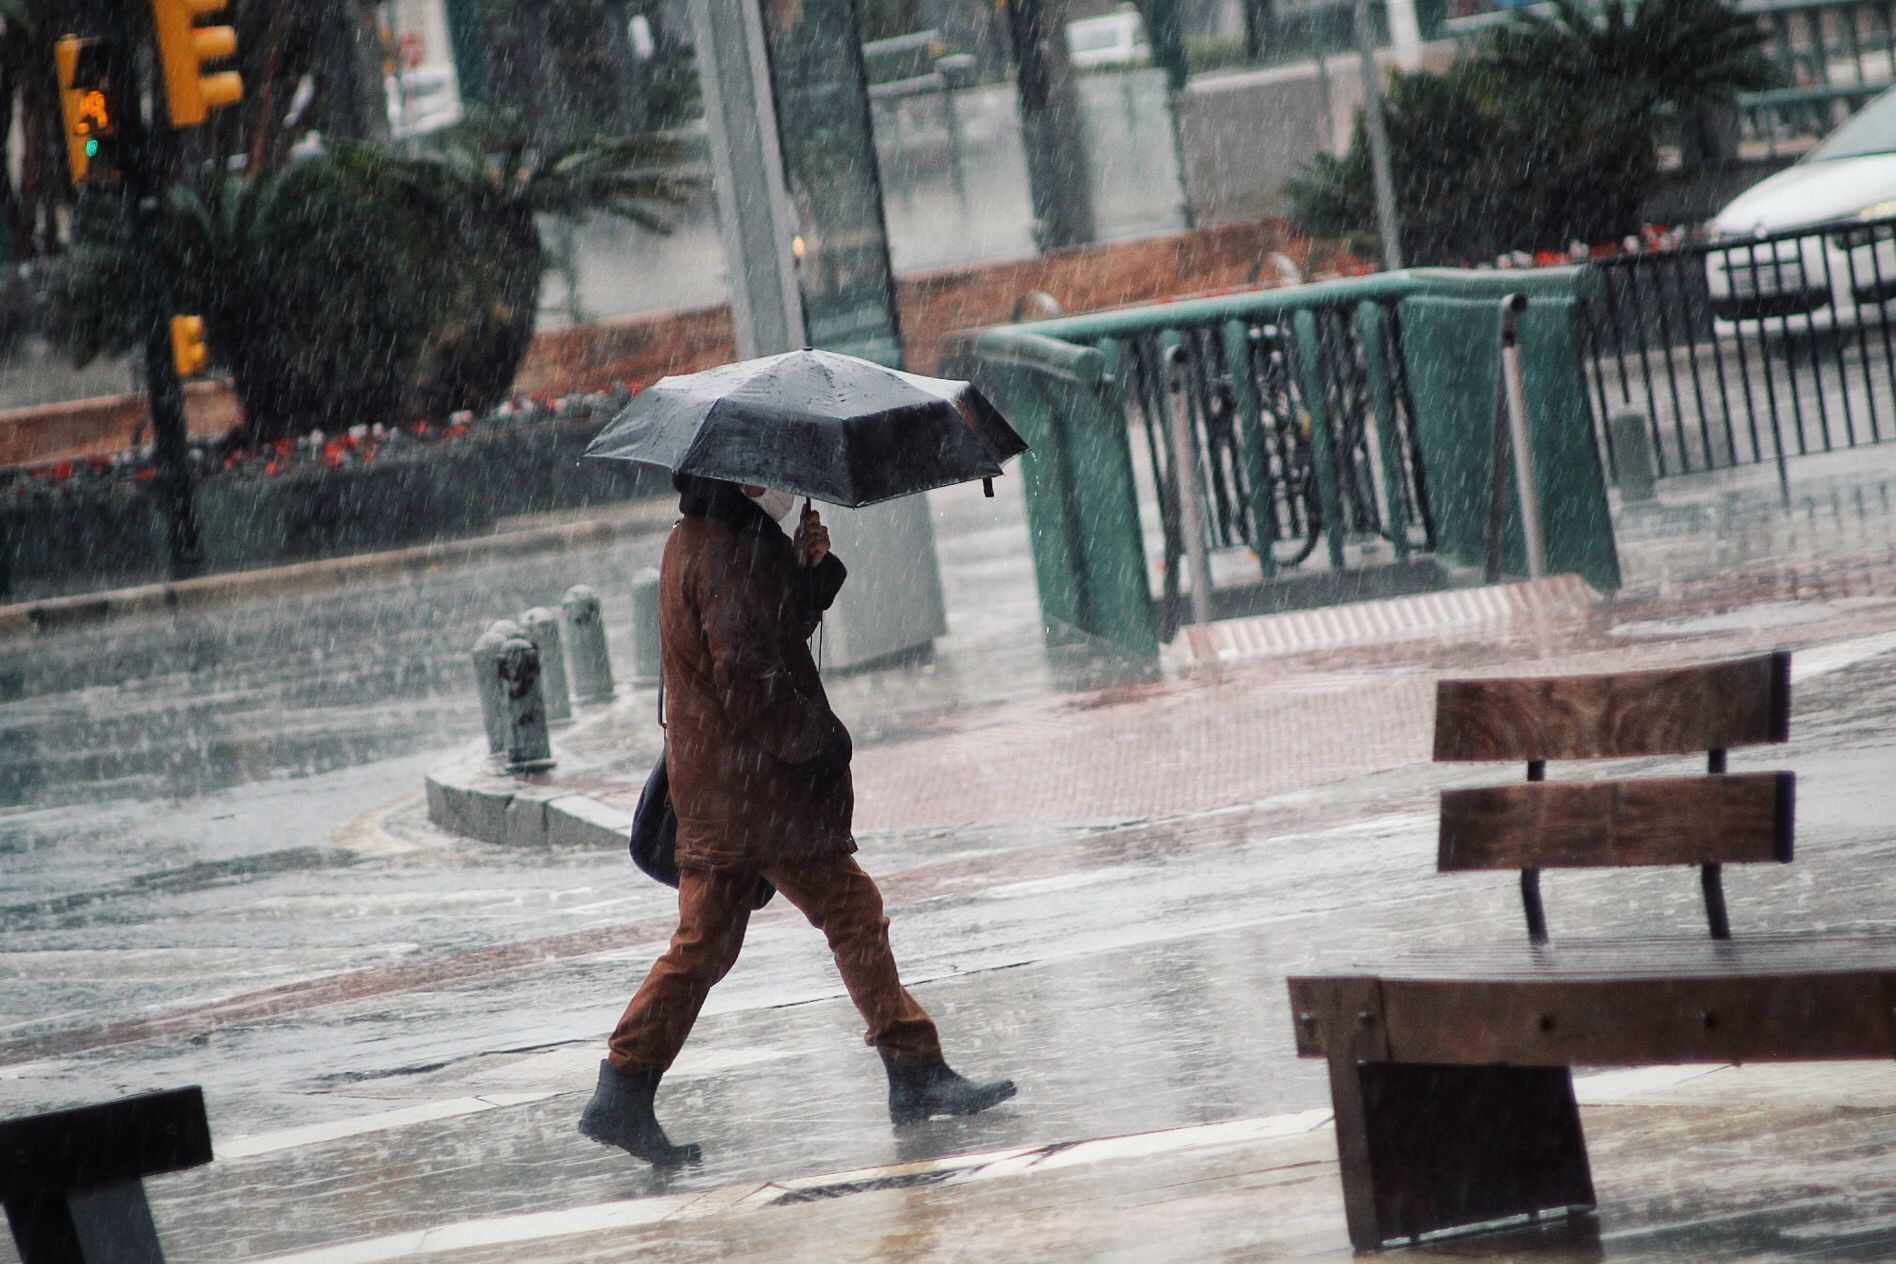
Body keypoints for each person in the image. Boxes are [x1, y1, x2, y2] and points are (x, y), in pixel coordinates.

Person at [579, 474, 1016, 1166]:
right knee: (849, 909)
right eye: (772, 480)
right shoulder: (723, 553)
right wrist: (820, 743)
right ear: (745, 478)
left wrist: (805, 572)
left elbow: (767, 634)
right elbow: (749, 678)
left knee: (704, 946)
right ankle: (914, 1068)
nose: (782, 489)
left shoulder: (703, 539)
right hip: (754, 789)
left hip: (722, 784)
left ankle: (624, 1086)